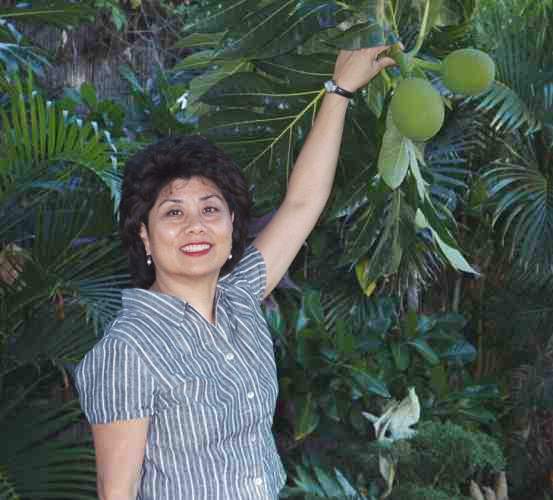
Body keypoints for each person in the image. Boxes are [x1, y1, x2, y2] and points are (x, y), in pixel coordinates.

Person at [74, 46, 396, 500]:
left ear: (231, 225)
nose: (195, 226)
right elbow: (117, 493)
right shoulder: (129, 351)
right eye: (172, 213)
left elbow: (303, 202)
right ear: (144, 236)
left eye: (210, 208)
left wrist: (339, 91)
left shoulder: (239, 298)